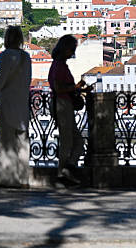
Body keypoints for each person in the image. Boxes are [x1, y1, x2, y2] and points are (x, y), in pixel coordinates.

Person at [0, 26, 32, 188]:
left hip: (7, 102)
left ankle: (6, 178)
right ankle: (23, 179)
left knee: (6, 142)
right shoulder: (26, 57)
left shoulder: (5, 56)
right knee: (22, 143)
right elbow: (28, 81)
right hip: (22, 103)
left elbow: (0, 81)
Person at [48, 34, 86, 186]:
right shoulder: (59, 65)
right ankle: (63, 172)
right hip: (63, 104)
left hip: (64, 104)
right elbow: (58, 87)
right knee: (68, 140)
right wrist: (75, 87)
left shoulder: (59, 65)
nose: (72, 53)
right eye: (72, 50)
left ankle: (67, 170)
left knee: (75, 141)